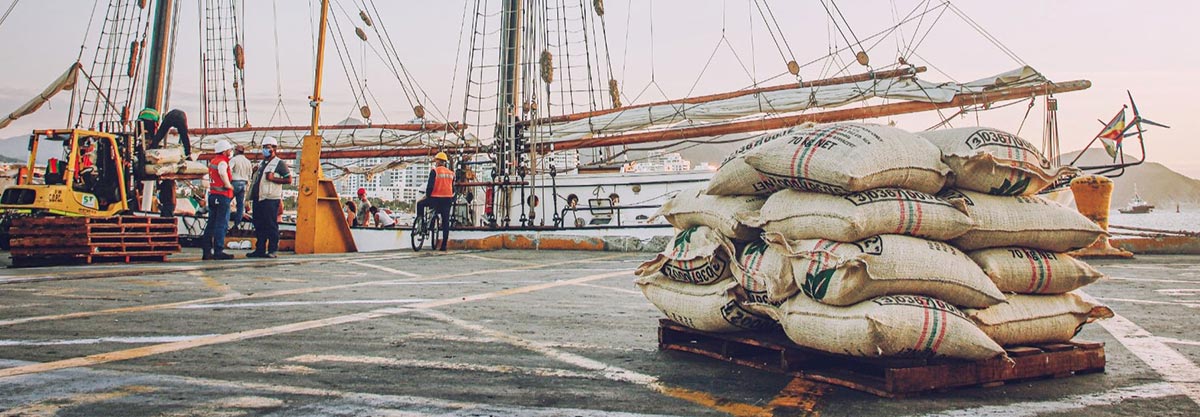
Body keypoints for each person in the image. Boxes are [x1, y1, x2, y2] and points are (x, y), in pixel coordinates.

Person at [247, 137, 291, 258]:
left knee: (270, 224)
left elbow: (288, 179)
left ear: (274, 148)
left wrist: (273, 179)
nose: (265, 150)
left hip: (271, 198)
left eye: (268, 147)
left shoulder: (279, 163)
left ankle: (272, 249)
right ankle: (260, 249)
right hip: (259, 198)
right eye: (264, 147)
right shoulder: (262, 163)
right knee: (259, 224)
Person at [203, 140, 236, 260]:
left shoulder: (213, 161)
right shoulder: (222, 162)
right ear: (224, 151)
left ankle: (206, 251)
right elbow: (222, 173)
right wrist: (228, 185)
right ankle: (218, 250)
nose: (230, 152)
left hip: (212, 196)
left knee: (211, 223)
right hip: (222, 196)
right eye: (229, 150)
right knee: (221, 224)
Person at [415, 152, 455, 251]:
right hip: (447, 199)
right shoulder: (451, 174)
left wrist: (426, 197)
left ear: (438, 161)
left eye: (436, 160)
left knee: (420, 204)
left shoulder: (434, 171)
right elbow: (453, 189)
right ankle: (444, 245)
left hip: (435, 198)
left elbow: (430, 186)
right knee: (446, 222)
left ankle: (420, 223)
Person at [229, 144, 252, 229]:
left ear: (237, 151)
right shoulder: (248, 161)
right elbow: (250, 174)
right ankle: (237, 224)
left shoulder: (234, 160)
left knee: (226, 202)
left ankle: (225, 220)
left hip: (235, 182)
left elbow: (228, 170)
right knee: (240, 205)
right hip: (244, 183)